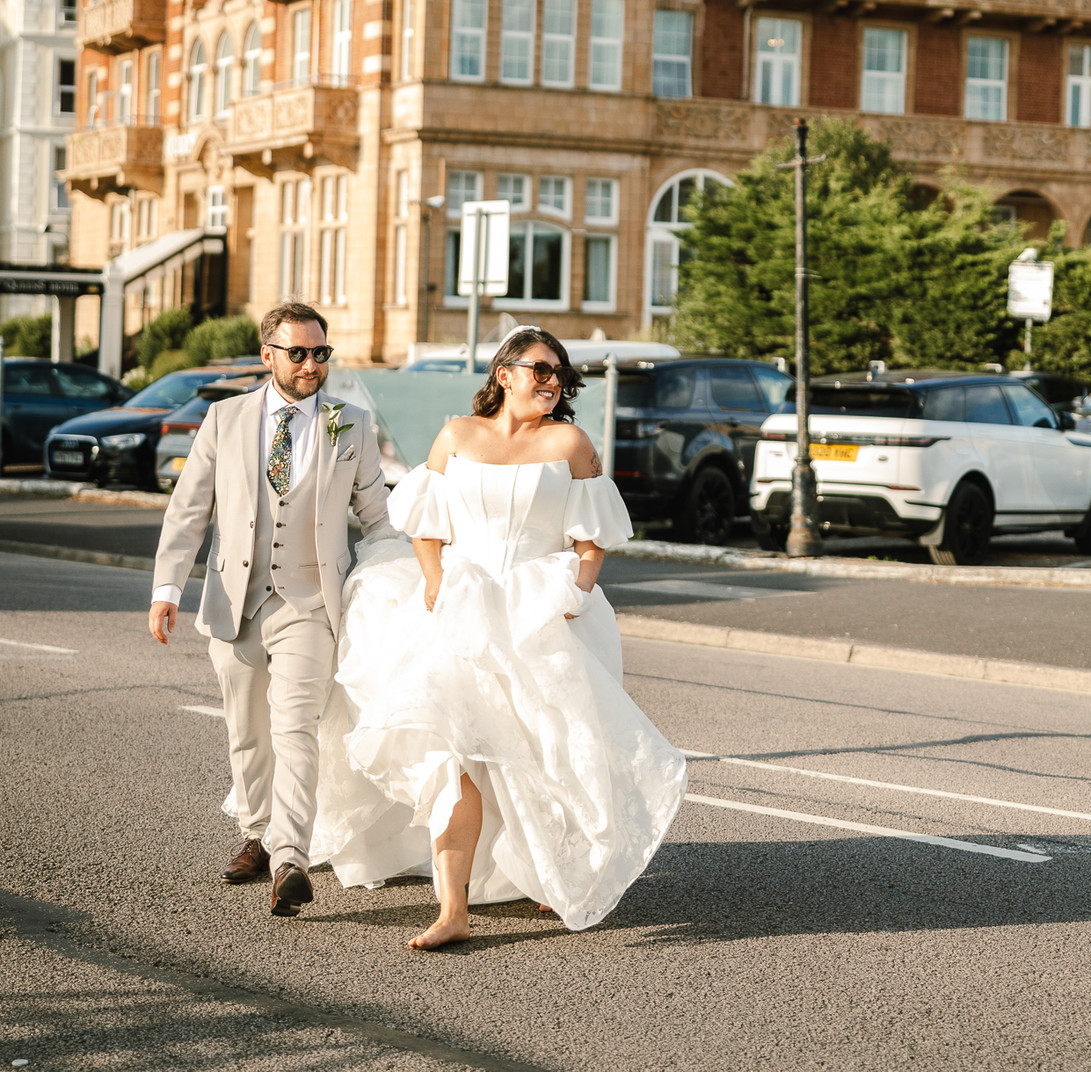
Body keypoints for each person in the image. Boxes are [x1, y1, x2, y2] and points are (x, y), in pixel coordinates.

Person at [311, 325, 687, 948]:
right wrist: (433, 582)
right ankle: (451, 909)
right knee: (452, 754)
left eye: (559, 373)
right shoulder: (457, 434)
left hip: (544, 606)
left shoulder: (570, 442)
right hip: (461, 603)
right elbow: (425, 525)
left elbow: (590, 540)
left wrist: (577, 593)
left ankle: (556, 872)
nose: (551, 381)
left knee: (548, 749)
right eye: (539, 369)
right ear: (504, 373)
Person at [148, 301, 396, 918]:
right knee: (246, 732)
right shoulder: (225, 419)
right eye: (299, 353)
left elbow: (377, 519)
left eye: (321, 353)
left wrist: (405, 579)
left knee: (294, 731)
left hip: (311, 604)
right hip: (234, 599)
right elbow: (188, 510)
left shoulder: (352, 424)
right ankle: (256, 835)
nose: (313, 364)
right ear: (269, 356)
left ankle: (291, 857)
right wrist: (166, 590)